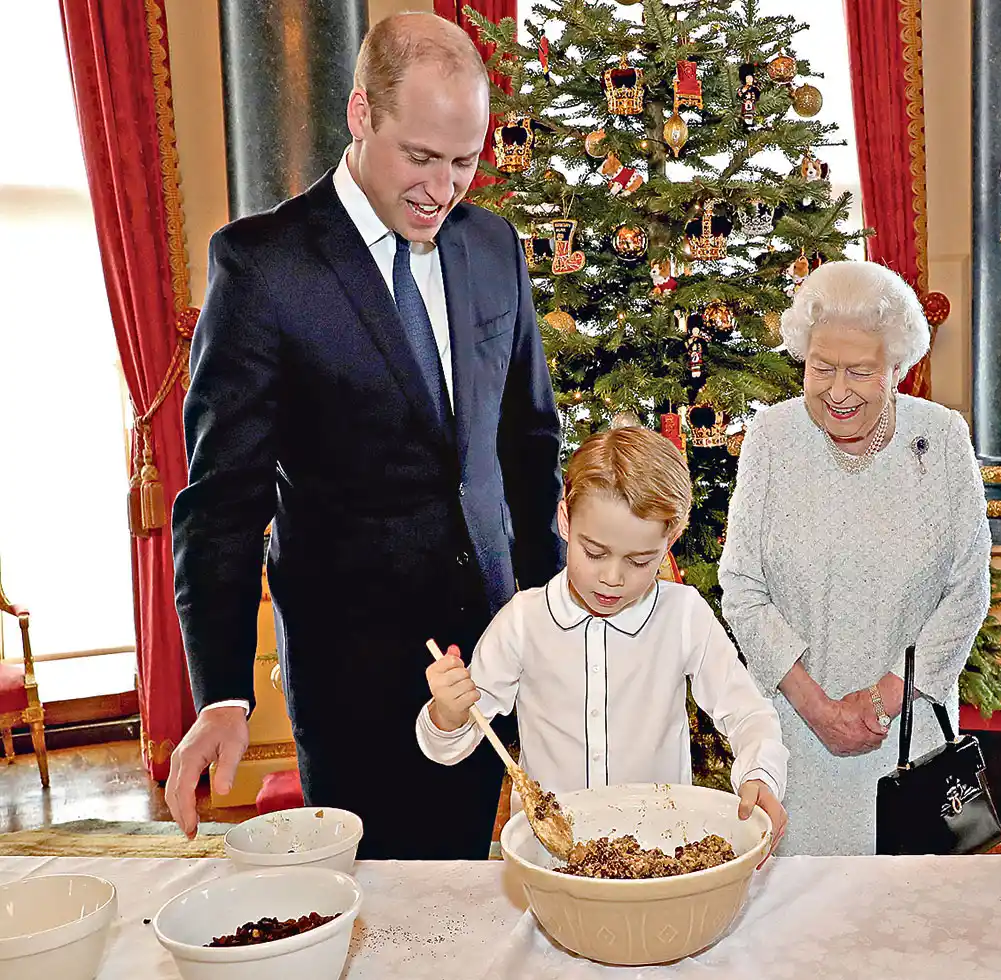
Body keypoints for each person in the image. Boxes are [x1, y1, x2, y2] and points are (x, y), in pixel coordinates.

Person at [166, 13, 566, 860]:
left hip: (490, 654)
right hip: (355, 679)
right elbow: (222, 502)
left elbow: (529, 443)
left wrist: (552, 613)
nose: (443, 187)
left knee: (468, 888)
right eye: (420, 157)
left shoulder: (493, 246)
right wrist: (222, 694)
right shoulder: (264, 267)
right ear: (359, 116)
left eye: (464, 162)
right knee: (376, 917)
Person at [718, 261, 991, 856]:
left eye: (861, 372)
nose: (838, 392)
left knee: (906, 923)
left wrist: (879, 700)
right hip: (791, 734)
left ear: (898, 368)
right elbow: (740, 585)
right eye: (822, 368)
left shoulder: (941, 438)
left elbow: (967, 587)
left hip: (904, 742)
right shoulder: (771, 436)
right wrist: (816, 707)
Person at [418, 427, 789, 846]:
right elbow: (453, 743)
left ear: (670, 541)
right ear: (565, 521)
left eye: (638, 560)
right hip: (551, 857)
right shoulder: (523, 620)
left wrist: (760, 772)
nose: (612, 579)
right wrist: (448, 714)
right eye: (594, 552)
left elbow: (749, 712)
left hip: (658, 851)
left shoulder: (682, 615)